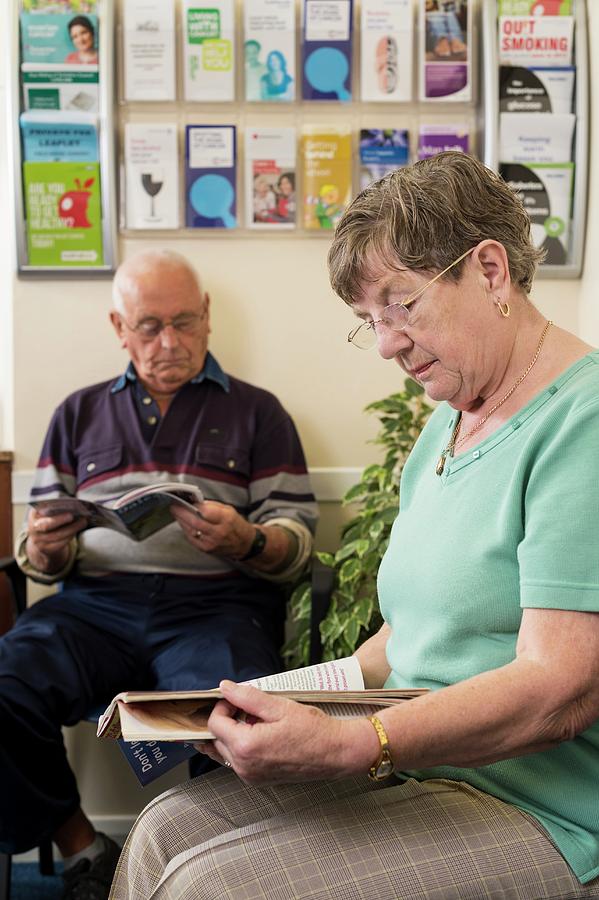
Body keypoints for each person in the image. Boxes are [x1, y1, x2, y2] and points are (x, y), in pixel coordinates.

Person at [110, 154, 599, 900]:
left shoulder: (581, 421)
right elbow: (406, 637)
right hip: (418, 761)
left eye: (401, 305)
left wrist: (353, 741)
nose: (385, 344)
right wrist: (280, 697)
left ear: (490, 271)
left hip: (540, 803)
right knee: (162, 828)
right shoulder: (446, 426)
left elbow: (557, 688)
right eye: (368, 321)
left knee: (210, 887)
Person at [0, 250, 317, 900]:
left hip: (218, 604)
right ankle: (84, 848)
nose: (168, 341)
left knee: (232, 709)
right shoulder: (78, 413)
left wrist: (249, 538)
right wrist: (46, 548)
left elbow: (297, 546)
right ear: (119, 327)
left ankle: (209, 870)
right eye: (148, 326)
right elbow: (38, 558)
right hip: (94, 608)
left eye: (183, 322)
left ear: (206, 318)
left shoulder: (261, 414)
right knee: (4, 682)